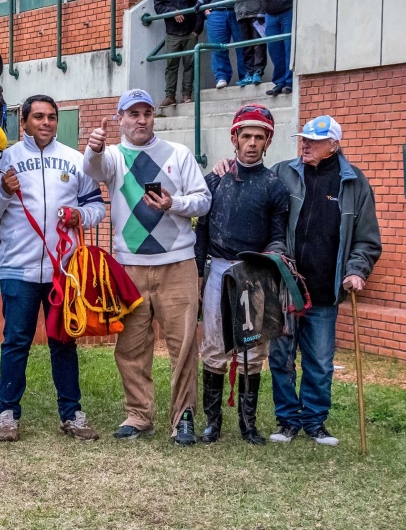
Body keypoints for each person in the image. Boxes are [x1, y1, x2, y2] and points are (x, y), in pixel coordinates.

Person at [212, 115, 382, 446]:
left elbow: (367, 239)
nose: (304, 144)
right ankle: (287, 420)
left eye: (313, 141)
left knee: (319, 360)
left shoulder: (355, 183)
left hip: (325, 291)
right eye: (303, 139)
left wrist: (356, 270)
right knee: (281, 358)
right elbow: (253, 187)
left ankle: (315, 423)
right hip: (283, 287)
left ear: (333, 145)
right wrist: (227, 166)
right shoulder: (283, 173)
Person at [0, 95, 106, 443]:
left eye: (51, 117)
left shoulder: (75, 160)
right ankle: (7, 414)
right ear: (24, 121)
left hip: (64, 270)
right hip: (18, 269)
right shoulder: (5, 161)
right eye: (38, 117)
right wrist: (2, 191)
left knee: (64, 342)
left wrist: (81, 216)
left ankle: (72, 414)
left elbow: (96, 207)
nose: (46, 123)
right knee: (16, 341)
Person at [84, 89, 211, 445]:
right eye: (133, 113)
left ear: (154, 116)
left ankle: (182, 417)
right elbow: (92, 169)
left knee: (184, 345)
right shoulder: (111, 156)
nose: (140, 120)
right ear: (120, 119)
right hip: (130, 267)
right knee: (131, 346)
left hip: (178, 264)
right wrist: (93, 148)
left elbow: (203, 200)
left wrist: (174, 203)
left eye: (147, 113)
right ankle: (138, 415)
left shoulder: (179, 154)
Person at [194, 104, 289, 445]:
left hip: (257, 271)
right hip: (219, 268)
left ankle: (248, 425)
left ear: (268, 142)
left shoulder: (275, 186)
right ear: (234, 139)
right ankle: (212, 423)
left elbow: (279, 232)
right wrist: (199, 271)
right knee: (215, 346)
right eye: (245, 136)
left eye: (258, 137)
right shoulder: (215, 180)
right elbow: (201, 232)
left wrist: (273, 253)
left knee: (253, 350)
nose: (251, 143)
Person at [154, 0, 205, 107]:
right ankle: (170, 96)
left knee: (189, 65)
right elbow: (158, 7)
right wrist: (173, 12)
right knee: (171, 65)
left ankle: (187, 95)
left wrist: (197, 29)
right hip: (172, 33)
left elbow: (200, 4)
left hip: (191, 31)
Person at [197, 0, 247, 89]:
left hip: (239, 8)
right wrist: (203, 5)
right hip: (215, 10)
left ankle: (246, 76)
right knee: (217, 48)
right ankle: (221, 77)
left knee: (243, 47)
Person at [263, 0, 293, 95]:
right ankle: (280, 82)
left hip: (288, 9)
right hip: (269, 13)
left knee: (289, 49)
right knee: (274, 50)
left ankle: (289, 82)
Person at [233, 0, 267, 87]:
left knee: (258, 44)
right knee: (246, 46)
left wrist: (262, 10)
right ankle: (250, 74)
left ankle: (258, 72)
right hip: (241, 13)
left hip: (256, 11)